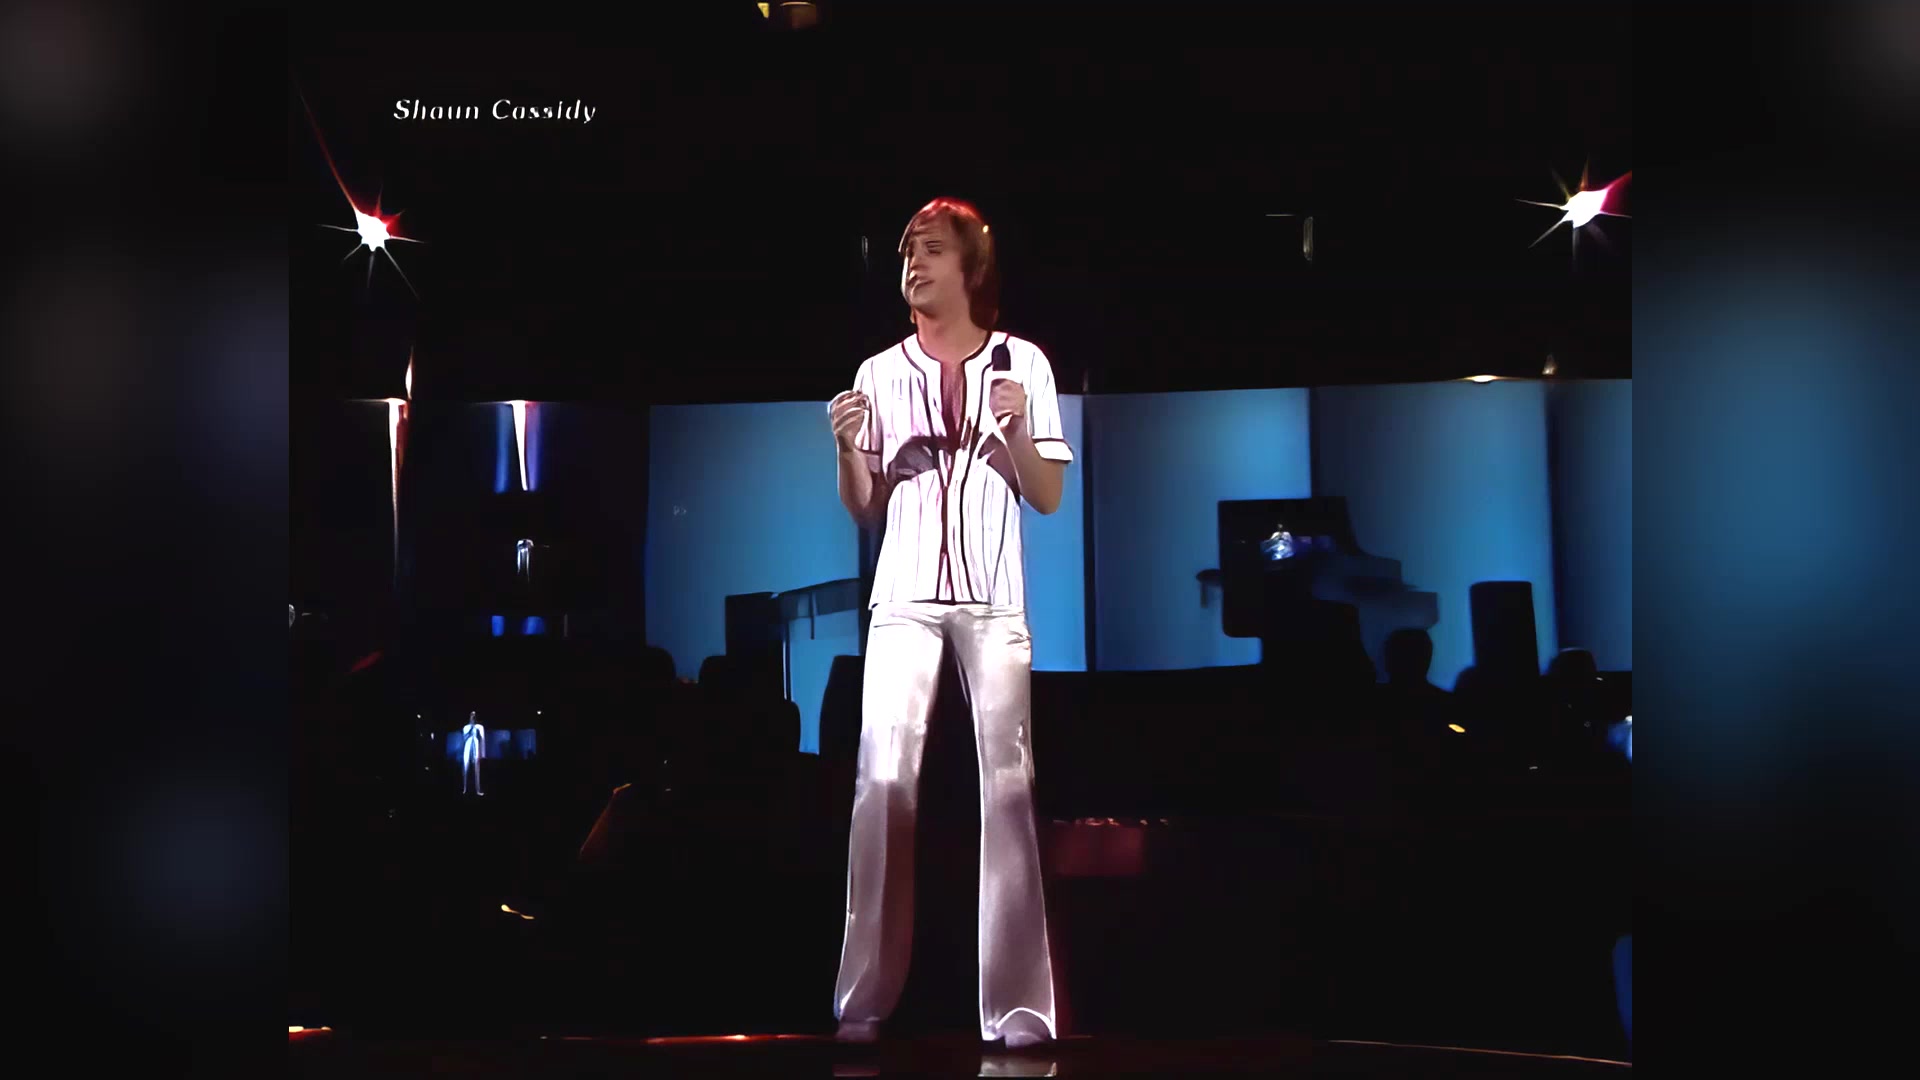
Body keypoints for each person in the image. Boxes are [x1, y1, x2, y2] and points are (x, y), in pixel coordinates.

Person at [827, 198, 1072, 1049]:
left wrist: (1016, 428)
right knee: (881, 779)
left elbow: (1047, 495)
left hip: (993, 599)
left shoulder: (1024, 363)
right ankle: (862, 1001)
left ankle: (1019, 1009)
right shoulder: (877, 372)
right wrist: (847, 448)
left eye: (930, 250)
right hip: (902, 598)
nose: (914, 265)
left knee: (1008, 786)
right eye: (906, 253)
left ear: (971, 267)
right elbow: (865, 508)